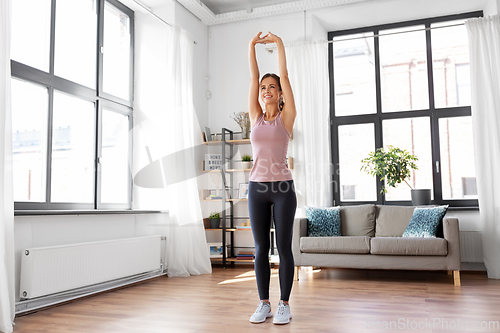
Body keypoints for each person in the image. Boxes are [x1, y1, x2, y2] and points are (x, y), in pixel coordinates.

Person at [247, 31, 297, 325]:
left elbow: (286, 75)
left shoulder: (286, 117)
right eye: (264, 87)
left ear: (279, 94)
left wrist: (278, 43)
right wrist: (251, 46)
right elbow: (252, 79)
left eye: (272, 87)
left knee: (283, 248)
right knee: (260, 249)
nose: (266, 89)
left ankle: (284, 304)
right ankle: (264, 302)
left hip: (282, 189)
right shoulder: (254, 116)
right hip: (256, 188)